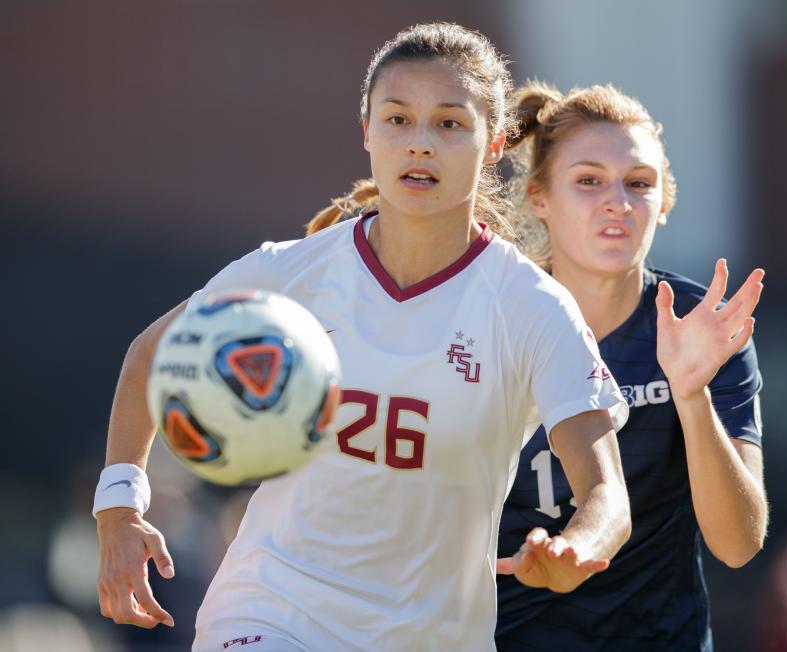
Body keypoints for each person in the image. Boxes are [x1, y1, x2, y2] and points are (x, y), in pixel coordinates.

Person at [93, 24, 632, 652]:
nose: (420, 144)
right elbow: (152, 355)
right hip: (269, 612)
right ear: (368, 133)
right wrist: (120, 507)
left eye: (451, 124)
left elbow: (606, 496)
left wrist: (576, 550)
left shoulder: (530, 308)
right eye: (397, 119)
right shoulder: (290, 272)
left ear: (494, 144)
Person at [494, 82, 768, 651]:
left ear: (663, 204)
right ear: (539, 197)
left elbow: (739, 545)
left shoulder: (701, 329)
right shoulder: (490, 320)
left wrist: (691, 396)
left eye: (638, 184)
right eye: (588, 180)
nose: (617, 201)